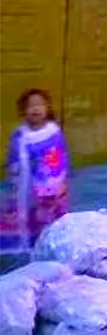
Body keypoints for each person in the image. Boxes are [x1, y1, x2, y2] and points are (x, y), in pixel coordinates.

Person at [1, 89, 70, 254]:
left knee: (47, 219)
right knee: (21, 216)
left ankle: (48, 246)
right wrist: (14, 176)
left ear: (47, 108)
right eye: (30, 105)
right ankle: (22, 244)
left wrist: (54, 183)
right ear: (23, 110)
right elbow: (12, 158)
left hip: (48, 187)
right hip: (22, 187)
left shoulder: (53, 133)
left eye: (40, 105)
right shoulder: (19, 134)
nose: (35, 109)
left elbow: (59, 159)